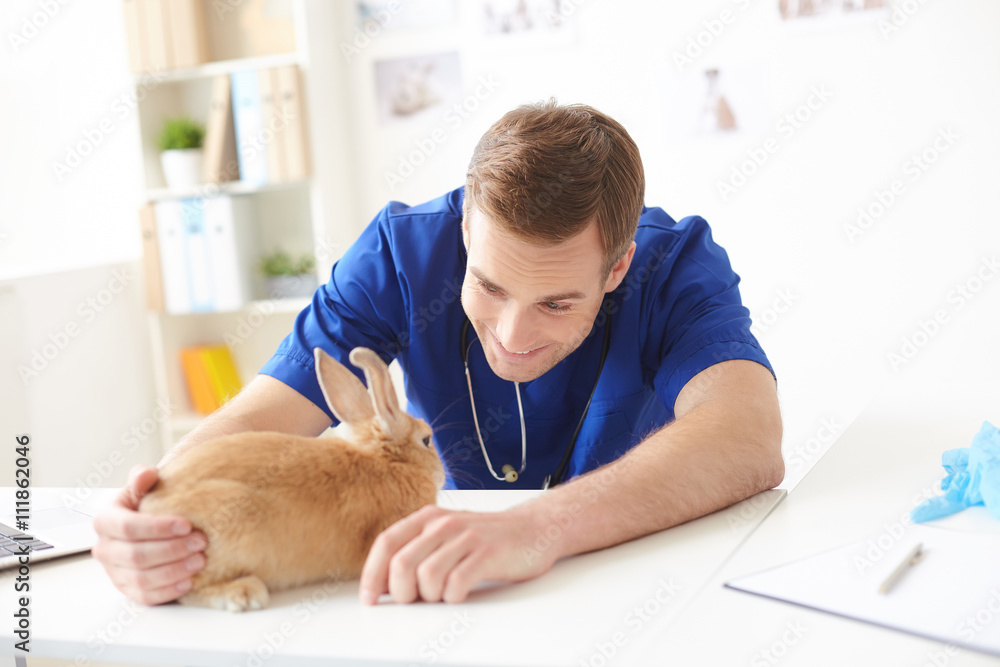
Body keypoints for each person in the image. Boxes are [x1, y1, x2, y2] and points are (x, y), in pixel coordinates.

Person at [92, 100, 783, 606]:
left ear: (619, 267)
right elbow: (258, 421)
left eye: (556, 303)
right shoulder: (402, 252)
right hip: (449, 587)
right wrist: (157, 514)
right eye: (488, 285)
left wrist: (539, 527)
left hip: (636, 583)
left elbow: (749, 435)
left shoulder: (677, 263)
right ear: (465, 229)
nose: (511, 336)